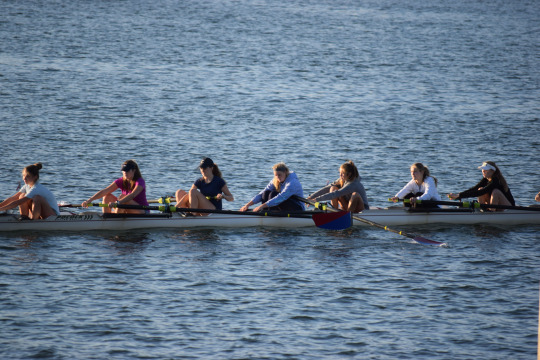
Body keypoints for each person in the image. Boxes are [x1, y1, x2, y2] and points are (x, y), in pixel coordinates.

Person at [82, 159, 149, 214]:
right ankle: (107, 217)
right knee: (107, 196)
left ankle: (115, 219)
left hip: (142, 210)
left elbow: (132, 195)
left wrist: (118, 203)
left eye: (127, 170)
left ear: (134, 170)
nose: (125, 173)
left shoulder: (140, 181)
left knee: (122, 197)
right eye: (123, 171)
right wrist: (89, 200)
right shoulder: (121, 181)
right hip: (126, 207)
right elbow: (105, 191)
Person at [448, 161, 515, 211]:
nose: (483, 171)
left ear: (492, 171)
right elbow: (475, 189)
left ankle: (491, 213)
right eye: (483, 169)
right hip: (498, 206)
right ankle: (481, 210)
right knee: (480, 189)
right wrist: (459, 195)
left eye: (486, 170)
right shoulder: (486, 179)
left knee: (495, 191)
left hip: (509, 208)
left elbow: (481, 193)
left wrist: (460, 196)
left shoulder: (496, 181)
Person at [240, 162, 304, 212]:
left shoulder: (292, 182)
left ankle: (270, 213)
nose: (278, 177)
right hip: (284, 204)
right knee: (266, 193)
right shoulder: (275, 180)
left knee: (273, 194)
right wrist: (247, 205)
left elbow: (281, 197)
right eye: (276, 175)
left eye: (279, 175)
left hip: (298, 208)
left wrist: (262, 206)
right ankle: (267, 212)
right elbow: (262, 193)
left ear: (285, 172)